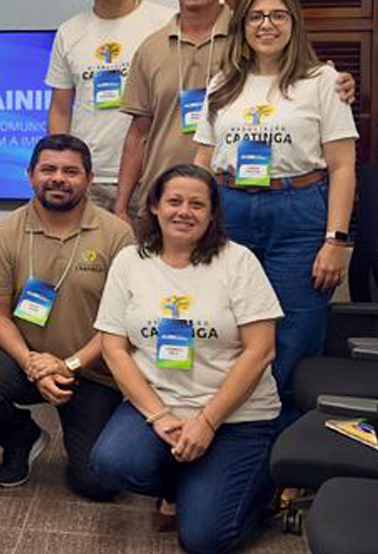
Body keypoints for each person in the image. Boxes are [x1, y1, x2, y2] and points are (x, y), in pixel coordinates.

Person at [89, 164, 282, 554]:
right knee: (111, 463)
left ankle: (258, 490)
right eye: (174, 201)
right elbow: (113, 347)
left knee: (204, 540)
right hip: (161, 404)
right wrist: (159, 415)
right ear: (155, 206)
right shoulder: (130, 261)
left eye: (197, 204)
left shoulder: (238, 261)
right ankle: (189, 481)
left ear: (212, 214)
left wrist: (207, 421)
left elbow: (261, 350)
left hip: (236, 416)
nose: (184, 212)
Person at [193, 0, 357, 421]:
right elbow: (203, 160)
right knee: (227, 323)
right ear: (242, 25)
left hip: (298, 213)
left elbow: (343, 166)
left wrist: (336, 240)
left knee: (294, 331)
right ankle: (230, 425)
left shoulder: (323, 81)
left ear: (294, 23)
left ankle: (282, 439)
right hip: (229, 211)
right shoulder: (223, 83)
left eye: (278, 15)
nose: (266, 25)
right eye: (256, 16)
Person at [114, 0, 356, 222]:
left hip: (240, 193)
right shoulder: (151, 48)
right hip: (166, 191)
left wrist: (335, 80)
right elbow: (138, 132)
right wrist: (121, 205)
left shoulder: (255, 33)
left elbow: (297, 73)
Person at [0, 134, 133, 498]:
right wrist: (31, 363)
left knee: (99, 485)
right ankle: (21, 438)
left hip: (91, 370)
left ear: (89, 178)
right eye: (48, 169)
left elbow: (121, 323)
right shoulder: (6, 231)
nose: (58, 178)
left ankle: (81, 444)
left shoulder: (117, 234)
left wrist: (68, 366)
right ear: (30, 175)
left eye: (71, 171)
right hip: (25, 361)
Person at [46, 0, 176, 210]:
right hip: (87, 177)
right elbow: (60, 109)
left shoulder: (166, 23)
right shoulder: (69, 32)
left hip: (150, 174)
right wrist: (62, 167)